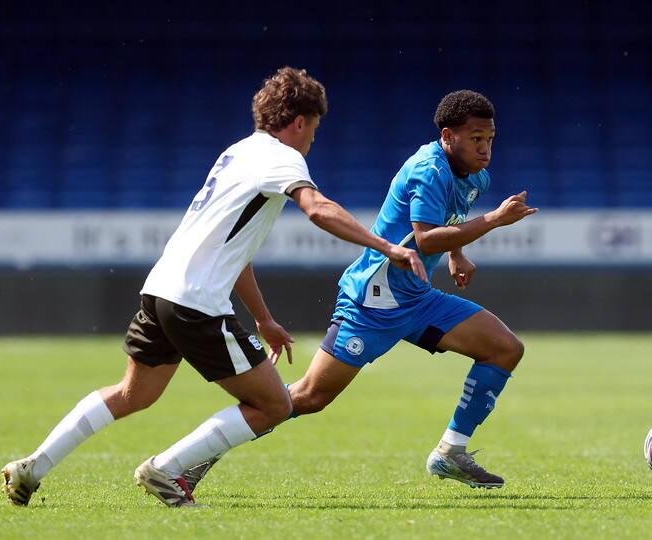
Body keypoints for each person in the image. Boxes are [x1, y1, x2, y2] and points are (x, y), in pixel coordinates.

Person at [0, 66, 427, 507]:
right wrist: (386, 247)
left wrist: (263, 318)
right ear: (299, 121)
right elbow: (317, 208)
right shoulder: (283, 158)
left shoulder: (238, 153)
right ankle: (165, 470)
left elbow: (233, 253)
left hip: (161, 289)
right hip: (195, 303)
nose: (313, 139)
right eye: (314, 129)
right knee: (275, 406)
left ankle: (32, 466)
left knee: (134, 393)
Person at [185, 89, 537, 492]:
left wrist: (458, 253)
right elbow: (423, 239)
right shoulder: (429, 170)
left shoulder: (475, 175)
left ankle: (451, 452)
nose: (485, 148)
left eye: (490, 138)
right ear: (447, 136)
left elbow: (451, 218)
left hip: (417, 297)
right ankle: (200, 453)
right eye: (475, 138)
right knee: (307, 398)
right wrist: (492, 220)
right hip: (374, 298)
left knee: (505, 348)